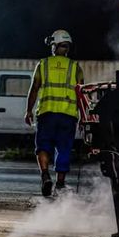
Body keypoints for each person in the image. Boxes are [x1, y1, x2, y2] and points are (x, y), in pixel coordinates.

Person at [24, 29, 84, 197]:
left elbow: (34, 89)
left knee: (43, 146)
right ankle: (60, 184)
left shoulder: (43, 64)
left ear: (54, 45)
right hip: (68, 116)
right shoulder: (75, 67)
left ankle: (45, 176)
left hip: (46, 114)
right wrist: (84, 118)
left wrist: (28, 110)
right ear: (67, 47)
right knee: (64, 150)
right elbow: (81, 94)